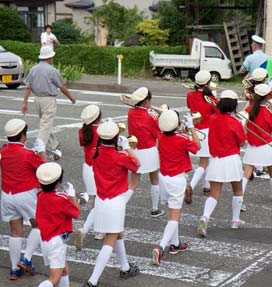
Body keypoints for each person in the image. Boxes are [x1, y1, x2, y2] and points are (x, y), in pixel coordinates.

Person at [84, 121, 140, 287]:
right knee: (110, 240)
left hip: (101, 200)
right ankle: (92, 281)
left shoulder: (95, 153)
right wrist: (126, 147)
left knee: (118, 233)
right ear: (116, 138)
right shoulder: (120, 156)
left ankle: (125, 267)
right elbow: (137, 165)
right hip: (115, 202)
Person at [0, 119, 47, 280]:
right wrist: (41, 151)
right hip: (25, 194)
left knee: (15, 231)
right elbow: (46, 171)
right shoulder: (27, 154)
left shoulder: (2, 151)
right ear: (23, 135)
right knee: (41, 225)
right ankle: (26, 259)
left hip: (7, 195)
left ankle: (14, 269)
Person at [152, 110, 200, 265]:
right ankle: (161, 247)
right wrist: (191, 127)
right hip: (176, 180)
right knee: (174, 216)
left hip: (164, 178)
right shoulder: (182, 138)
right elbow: (197, 146)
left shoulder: (160, 136)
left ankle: (175, 244)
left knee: (172, 211)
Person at [197, 90, 247, 238]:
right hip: (231, 159)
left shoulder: (213, 119)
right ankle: (235, 220)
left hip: (216, 160)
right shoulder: (234, 121)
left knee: (214, 194)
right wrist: (242, 125)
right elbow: (242, 141)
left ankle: (205, 217)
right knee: (237, 190)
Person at [21, 46, 77, 158]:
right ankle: (38, 149)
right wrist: (71, 97)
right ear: (50, 57)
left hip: (37, 99)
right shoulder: (52, 70)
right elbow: (61, 87)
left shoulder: (33, 69)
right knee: (45, 124)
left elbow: (28, 87)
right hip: (48, 100)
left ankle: (54, 143)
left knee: (44, 123)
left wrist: (25, 102)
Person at [35, 163, 81, 287]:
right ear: (58, 183)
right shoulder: (62, 198)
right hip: (56, 240)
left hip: (46, 238)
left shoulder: (40, 196)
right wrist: (72, 196)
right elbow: (76, 212)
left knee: (64, 270)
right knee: (54, 279)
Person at [242, 84, 272, 203]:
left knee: (247, 171)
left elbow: (241, 123)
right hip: (266, 145)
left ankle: (239, 198)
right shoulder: (270, 113)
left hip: (251, 144)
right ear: (268, 97)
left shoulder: (248, 110)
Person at [127, 87, 164, 217]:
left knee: (133, 184)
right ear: (147, 101)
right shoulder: (151, 116)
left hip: (135, 150)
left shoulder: (130, 112)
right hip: (149, 150)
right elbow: (157, 133)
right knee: (154, 179)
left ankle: (121, 205)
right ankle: (155, 208)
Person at [185, 70, 218, 201]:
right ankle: (191, 186)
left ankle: (206, 185)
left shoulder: (190, 95)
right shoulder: (210, 97)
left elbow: (190, 106)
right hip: (207, 130)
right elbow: (217, 110)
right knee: (203, 162)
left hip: (194, 130)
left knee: (205, 159)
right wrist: (215, 96)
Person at [75, 105, 104, 249]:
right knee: (100, 200)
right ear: (98, 118)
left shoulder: (82, 131)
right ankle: (89, 229)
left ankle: (98, 229)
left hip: (87, 167)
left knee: (95, 199)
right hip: (99, 168)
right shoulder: (101, 131)